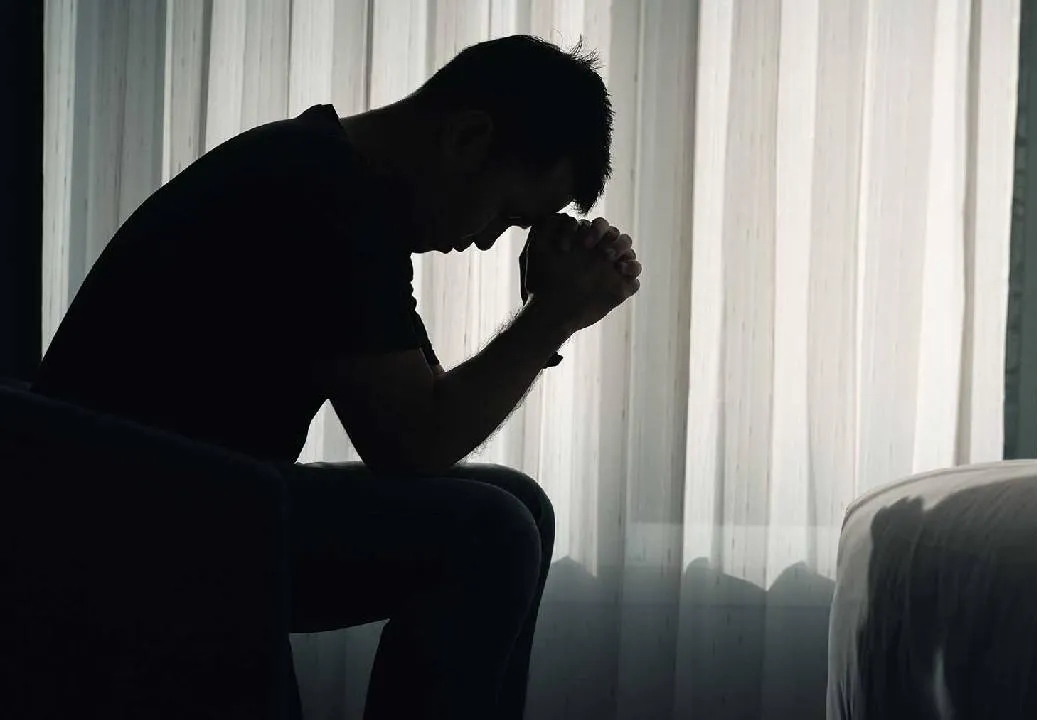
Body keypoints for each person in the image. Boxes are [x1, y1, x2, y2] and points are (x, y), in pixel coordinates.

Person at [32, 35, 640, 719]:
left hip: (183, 496)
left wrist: (547, 309)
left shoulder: (335, 183)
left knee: (518, 503)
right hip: (122, 524)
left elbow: (424, 405)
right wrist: (551, 318)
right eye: (507, 213)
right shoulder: (321, 200)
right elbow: (415, 443)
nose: (485, 240)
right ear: (468, 138)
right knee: (494, 532)